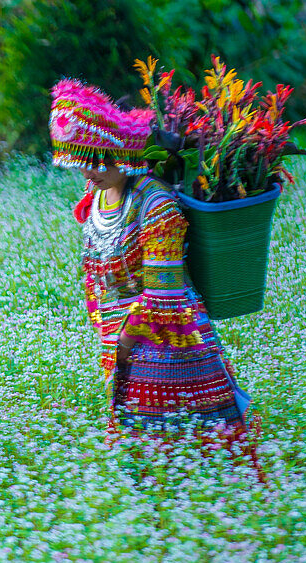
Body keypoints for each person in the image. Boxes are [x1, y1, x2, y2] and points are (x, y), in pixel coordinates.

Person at [49, 79, 251, 437]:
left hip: (169, 343)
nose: (87, 171)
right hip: (120, 342)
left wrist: (123, 347)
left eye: (95, 160)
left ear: (122, 152)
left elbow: (165, 294)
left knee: (185, 452)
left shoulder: (155, 203)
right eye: (78, 160)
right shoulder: (96, 196)